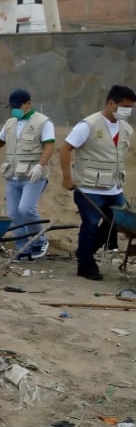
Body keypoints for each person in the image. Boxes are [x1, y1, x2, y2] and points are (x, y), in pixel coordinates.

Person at [60, 84, 136, 281]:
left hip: (113, 188)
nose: (127, 111)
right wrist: (67, 178)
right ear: (111, 103)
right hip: (89, 187)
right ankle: (85, 266)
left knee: (115, 223)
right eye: (124, 106)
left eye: (130, 107)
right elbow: (65, 148)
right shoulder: (88, 125)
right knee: (91, 223)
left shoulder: (126, 129)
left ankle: (85, 252)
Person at [0, 89, 55, 259]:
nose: (14, 110)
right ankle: (23, 248)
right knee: (13, 214)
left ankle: (39, 240)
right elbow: (0, 142)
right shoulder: (10, 123)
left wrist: (40, 166)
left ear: (28, 104)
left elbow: (49, 147)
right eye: (12, 107)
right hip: (12, 175)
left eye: (17, 106)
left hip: (33, 175)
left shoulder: (43, 122)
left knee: (26, 209)